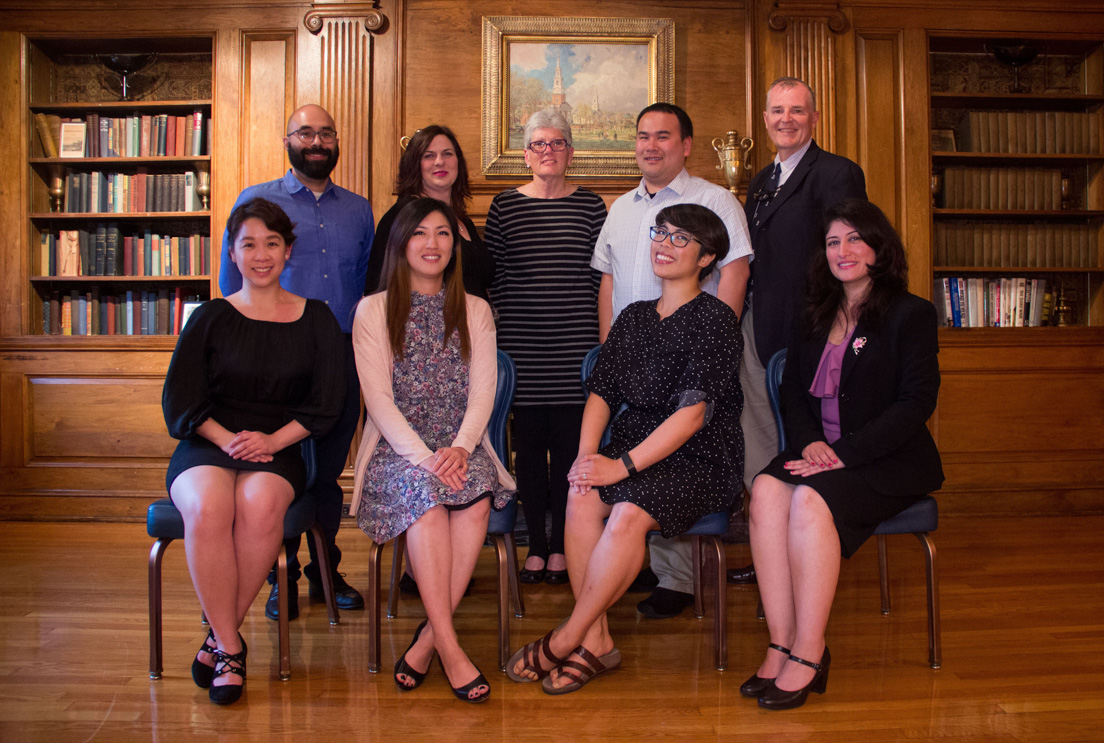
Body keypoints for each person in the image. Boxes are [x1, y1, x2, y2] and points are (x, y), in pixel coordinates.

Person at [509, 204, 743, 695]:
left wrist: (620, 466)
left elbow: (693, 415)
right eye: (661, 232)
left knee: (628, 512)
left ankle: (569, 635)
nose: (664, 243)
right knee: (579, 493)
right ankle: (597, 639)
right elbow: (602, 392)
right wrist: (586, 457)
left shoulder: (716, 319)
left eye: (682, 239)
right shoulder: (634, 316)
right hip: (629, 448)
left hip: (698, 457)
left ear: (708, 258)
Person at [743, 198, 943, 710]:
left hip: (885, 458)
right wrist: (811, 443)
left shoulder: (910, 314)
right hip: (819, 452)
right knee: (765, 489)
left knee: (809, 500)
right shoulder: (813, 311)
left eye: (855, 238)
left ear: (879, 246)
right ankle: (781, 641)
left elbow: (915, 403)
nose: (843, 250)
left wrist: (842, 455)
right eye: (833, 242)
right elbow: (790, 391)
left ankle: (811, 650)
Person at [164, 198, 345, 704]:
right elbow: (180, 400)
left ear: (288, 251)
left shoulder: (318, 320)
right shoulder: (212, 317)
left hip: (279, 445)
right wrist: (228, 440)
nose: (261, 255)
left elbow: (325, 404)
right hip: (208, 440)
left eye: (272, 243)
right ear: (232, 252)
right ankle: (229, 645)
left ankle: (220, 643)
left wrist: (269, 441)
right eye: (249, 244)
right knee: (209, 505)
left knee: (260, 505)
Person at [349, 198, 516, 704]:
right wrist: (426, 458)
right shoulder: (373, 310)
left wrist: (462, 448)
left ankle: (427, 641)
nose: (432, 244)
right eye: (420, 233)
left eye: (443, 233)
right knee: (426, 499)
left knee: (475, 496)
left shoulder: (476, 310)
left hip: (463, 445)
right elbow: (377, 401)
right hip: (399, 451)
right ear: (400, 243)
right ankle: (449, 644)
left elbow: (483, 390)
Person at [591, 102, 753, 619]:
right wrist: (609, 353)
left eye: (663, 136)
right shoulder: (620, 208)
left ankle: (679, 579)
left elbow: (735, 273)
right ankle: (631, 569)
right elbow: (609, 281)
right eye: (643, 136)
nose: (651, 145)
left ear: (685, 145)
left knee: (674, 453)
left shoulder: (715, 200)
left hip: (689, 359)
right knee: (631, 461)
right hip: (636, 358)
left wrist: (707, 343)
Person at [219, 104, 373, 620]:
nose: (316, 141)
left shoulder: (358, 209)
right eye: (305, 132)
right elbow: (231, 284)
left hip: (343, 357)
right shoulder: (256, 200)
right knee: (276, 464)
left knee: (328, 472)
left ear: (336, 142)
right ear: (288, 139)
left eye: (326, 133)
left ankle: (324, 569)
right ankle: (277, 575)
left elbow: (371, 286)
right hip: (274, 361)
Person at [728, 76, 867, 587]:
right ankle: (772, 549)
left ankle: (806, 548)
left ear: (814, 118)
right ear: (765, 120)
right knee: (761, 435)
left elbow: (847, 252)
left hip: (811, 330)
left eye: (797, 110)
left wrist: (827, 320)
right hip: (761, 327)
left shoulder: (835, 173)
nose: (786, 119)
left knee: (803, 435)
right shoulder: (764, 177)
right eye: (777, 111)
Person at [484, 109, 608, 586]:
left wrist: (600, 343)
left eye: (557, 143)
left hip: (575, 347)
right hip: (523, 347)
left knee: (572, 452)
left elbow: (601, 277)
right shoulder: (504, 207)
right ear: (525, 154)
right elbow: (494, 277)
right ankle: (535, 544)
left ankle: (562, 547)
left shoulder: (592, 206)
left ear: (571, 152)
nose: (547, 151)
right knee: (529, 455)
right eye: (538, 144)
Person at [363, 124, 495, 301]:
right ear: (414, 164)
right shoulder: (402, 215)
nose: (440, 161)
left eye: (448, 154)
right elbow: (377, 287)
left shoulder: (464, 221)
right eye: (429, 155)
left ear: (459, 162)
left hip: (474, 323)